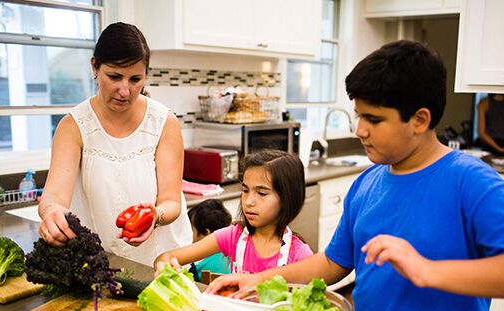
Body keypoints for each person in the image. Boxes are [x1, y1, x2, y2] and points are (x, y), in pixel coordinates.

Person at [207, 40, 504, 311]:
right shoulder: (367, 182)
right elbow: (333, 263)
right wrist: (254, 279)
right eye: (358, 115)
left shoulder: (471, 182)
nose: (360, 129)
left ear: (419, 120)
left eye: (373, 120)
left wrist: (428, 270)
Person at [37, 22, 193, 266]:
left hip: (163, 260)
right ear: (95, 68)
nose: (125, 90)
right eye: (114, 76)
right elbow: (54, 197)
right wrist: (51, 213)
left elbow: (171, 201)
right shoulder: (74, 126)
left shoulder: (164, 122)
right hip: (102, 259)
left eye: (135, 79)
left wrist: (156, 215)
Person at [154, 149, 313, 276]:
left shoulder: (300, 255)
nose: (248, 201)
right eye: (245, 190)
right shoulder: (233, 237)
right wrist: (166, 264)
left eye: (262, 193)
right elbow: (165, 258)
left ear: (288, 198)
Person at [187, 199, 232, 280]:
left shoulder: (197, 266)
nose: (188, 232)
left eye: (191, 229)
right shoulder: (232, 254)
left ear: (206, 233)